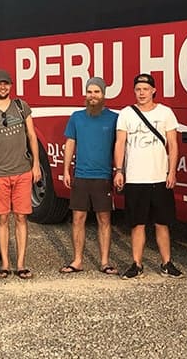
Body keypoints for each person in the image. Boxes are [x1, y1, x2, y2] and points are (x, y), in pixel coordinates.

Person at [113, 73, 183, 279]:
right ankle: (137, 263)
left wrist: (172, 171)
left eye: (145, 89)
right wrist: (119, 170)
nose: (141, 93)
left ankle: (166, 263)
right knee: (137, 224)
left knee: (162, 223)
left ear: (153, 90)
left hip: (160, 178)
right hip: (135, 178)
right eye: (138, 89)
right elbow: (120, 143)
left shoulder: (166, 112)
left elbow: (174, 144)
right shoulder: (126, 113)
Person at [0, 69, 41, 279]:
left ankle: (21, 264)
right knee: (3, 219)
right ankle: (5, 263)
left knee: (22, 218)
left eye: (6, 84)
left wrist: (36, 165)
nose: (2, 87)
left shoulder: (21, 107)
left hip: (23, 171)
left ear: (11, 86)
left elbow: (32, 135)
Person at [60, 77, 118, 275]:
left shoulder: (113, 118)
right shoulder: (77, 117)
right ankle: (77, 261)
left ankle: (104, 262)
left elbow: (119, 147)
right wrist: (66, 170)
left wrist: (119, 171)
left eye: (96, 92)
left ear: (103, 94)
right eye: (89, 92)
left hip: (103, 177)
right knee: (78, 218)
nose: (92, 96)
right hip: (81, 176)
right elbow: (70, 143)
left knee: (104, 219)